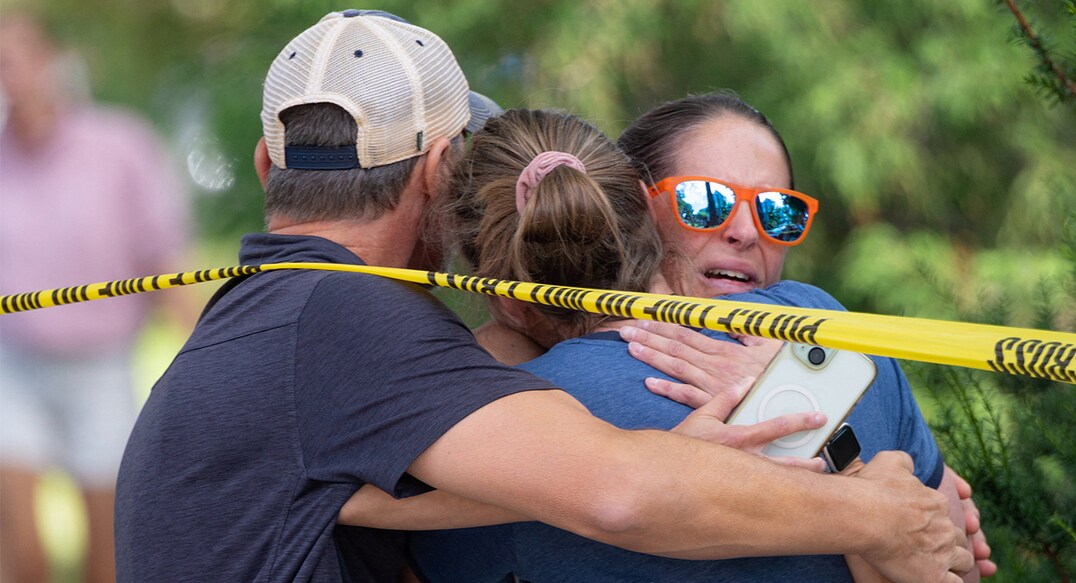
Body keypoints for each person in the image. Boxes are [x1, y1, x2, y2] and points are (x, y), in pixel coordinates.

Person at [113, 11, 972, 582]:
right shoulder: (347, 317)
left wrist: (692, 454)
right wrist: (876, 510)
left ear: (268, 167)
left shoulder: (276, 311)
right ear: (437, 174)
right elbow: (618, 493)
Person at [390, 106, 968, 581]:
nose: (744, 230)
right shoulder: (828, 328)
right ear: (640, 206)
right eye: (705, 201)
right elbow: (951, 557)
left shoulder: (493, 421)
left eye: (778, 211)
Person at [0, 13, 193, 583]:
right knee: (22, 548)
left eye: (12, 60)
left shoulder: (120, 146)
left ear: (50, 61)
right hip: (13, 367)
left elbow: (162, 261)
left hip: (102, 369)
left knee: (105, 556)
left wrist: (199, 359)